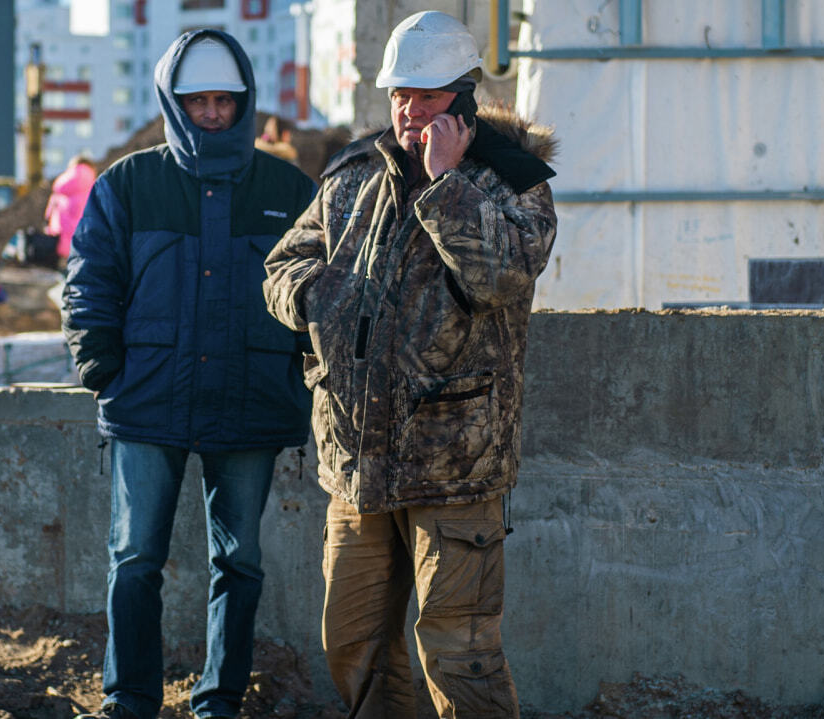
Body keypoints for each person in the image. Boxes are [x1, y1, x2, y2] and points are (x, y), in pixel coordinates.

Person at [263, 11, 558, 718]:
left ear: (462, 99)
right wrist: (319, 296)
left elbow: (502, 278)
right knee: (353, 644)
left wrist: (446, 183)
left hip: (453, 470)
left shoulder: (511, 183)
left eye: (426, 97)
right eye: (400, 94)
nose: (409, 110)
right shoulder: (353, 176)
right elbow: (283, 264)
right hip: (357, 464)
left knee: (460, 653)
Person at [62, 29, 316, 719]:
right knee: (135, 556)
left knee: (240, 562)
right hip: (147, 401)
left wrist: (302, 378)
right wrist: (101, 365)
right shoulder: (129, 183)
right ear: (173, 102)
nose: (211, 113)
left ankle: (220, 699)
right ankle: (131, 698)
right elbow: (88, 280)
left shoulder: (289, 189)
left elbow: (323, 291)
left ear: (244, 103)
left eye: (223, 102)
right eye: (197, 100)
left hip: (252, 399)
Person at [44, 155, 97, 265]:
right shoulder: (95, 187)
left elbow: (48, 215)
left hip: (59, 240)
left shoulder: (60, 185)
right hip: (85, 242)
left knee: (64, 274)